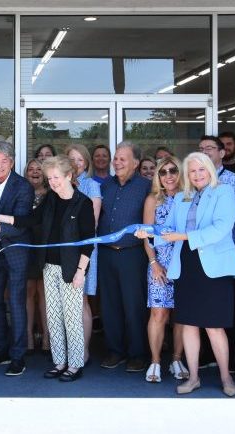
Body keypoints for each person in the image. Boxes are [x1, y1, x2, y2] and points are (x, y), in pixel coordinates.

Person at [139, 152, 235, 396]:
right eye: (192, 171)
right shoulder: (182, 198)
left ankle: (226, 378)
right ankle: (193, 378)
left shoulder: (224, 192)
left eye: (201, 169)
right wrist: (148, 233)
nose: (197, 175)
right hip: (186, 265)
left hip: (214, 269)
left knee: (214, 326)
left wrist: (184, 236)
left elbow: (221, 228)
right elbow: (167, 230)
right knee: (189, 325)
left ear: (210, 170)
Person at [0, 155, 95, 381]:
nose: (53, 182)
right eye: (50, 178)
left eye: (56, 177)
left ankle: (75, 365)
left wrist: (81, 272)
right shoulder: (50, 199)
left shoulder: (83, 203)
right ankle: (59, 362)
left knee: (72, 319)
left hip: (72, 270)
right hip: (49, 267)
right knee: (54, 317)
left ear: (69, 176)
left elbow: (89, 242)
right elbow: (29, 219)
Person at [0, 141, 35, 376]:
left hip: (16, 251)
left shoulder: (23, 186)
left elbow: (21, 223)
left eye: (4, 161)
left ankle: (18, 356)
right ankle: (0, 349)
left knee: (16, 303)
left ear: (11, 162)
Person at [98, 142, 151, 372]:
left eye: (122, 159)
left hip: (133, 254)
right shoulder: (105, 186)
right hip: (106, 254)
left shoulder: (146, 187)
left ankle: (138, 353)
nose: (117, 162)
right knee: (110, 306)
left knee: (134, 306)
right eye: (116, 158)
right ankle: (115, 351)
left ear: (135, 163)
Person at [198, 135, 235, 372]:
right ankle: (206, 355)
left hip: (226, 252)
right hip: (199, 254)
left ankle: (230, 360)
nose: (205, 151)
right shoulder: (195, 180)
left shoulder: (234, 181)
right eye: (201, 148)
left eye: (209, 148)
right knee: (203, 307)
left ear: (221, 153)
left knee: (228, 308)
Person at [140, 155, 188, 383]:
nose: (168, 176)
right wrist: (154, 263)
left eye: (173, 170)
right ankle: (156, 361)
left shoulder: (189, 197)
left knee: (182, 314)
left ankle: (176, 359)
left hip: (185, 263)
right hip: (159, 263)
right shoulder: (153, 200)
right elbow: (147, 236)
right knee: (159, 313)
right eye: (163, 172)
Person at [65, 144, 101, 364]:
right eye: (72, 159)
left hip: (84, 250)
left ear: (87, 163)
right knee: (66, 303)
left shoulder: (92, 186)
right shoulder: (61, 184)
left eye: (80, 160)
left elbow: (92, 222)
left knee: (81, 301)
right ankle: (69, 349)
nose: (76, 164)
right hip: (63, 251)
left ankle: (83, 350)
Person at [23, 159, 49, 354]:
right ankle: (29, 337)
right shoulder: (22, 194)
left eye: (39, 169)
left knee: (45, 294)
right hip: (26, 247)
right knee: (29, 292)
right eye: (31, 169)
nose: (35, 172)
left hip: (46, 248)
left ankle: (48, 337)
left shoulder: (52, 194)